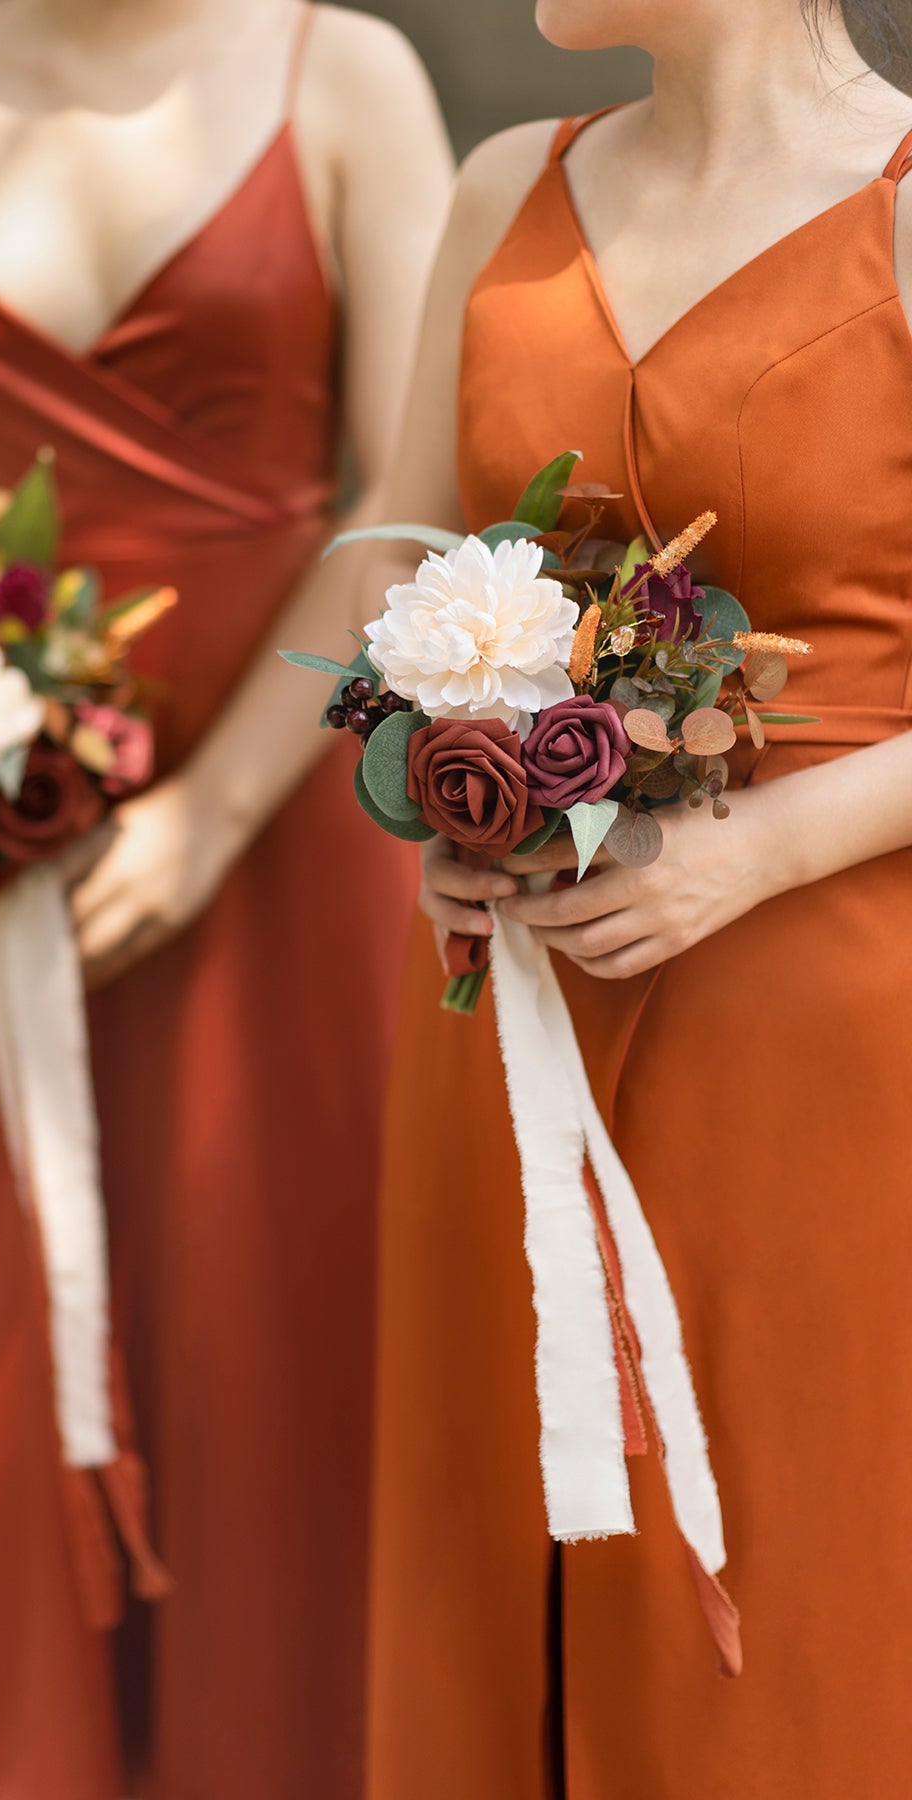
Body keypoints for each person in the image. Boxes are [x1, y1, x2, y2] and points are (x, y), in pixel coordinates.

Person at [0, 2, 452, 1794]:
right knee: (1, 1321)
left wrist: (214, 815)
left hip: (283, 812)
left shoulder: (348, 74)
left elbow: (401, 504)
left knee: (272, 1327)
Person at [361, 1, 912, 1795]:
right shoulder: (500, 185)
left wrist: (757, 850)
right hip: (506, 1004)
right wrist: (427, 779)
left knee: (786, 1575)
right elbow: (393, 552)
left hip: (826, 1033)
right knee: (487, 1548)